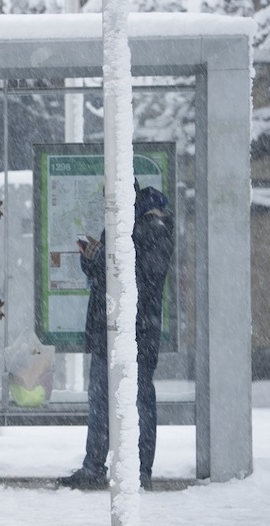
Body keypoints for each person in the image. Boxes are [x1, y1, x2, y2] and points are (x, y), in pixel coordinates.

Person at [57, 180, 174, 491]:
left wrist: (107, 258)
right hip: (106, 328)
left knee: (138, 402)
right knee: (100, 400)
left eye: (110, 195)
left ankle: (139, 471)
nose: (106, 202)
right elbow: (104, 273)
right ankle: (93, 465)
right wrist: (92, 257)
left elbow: (143, 275)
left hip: (137, 331)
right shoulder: (120, 222)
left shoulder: (153, 222)